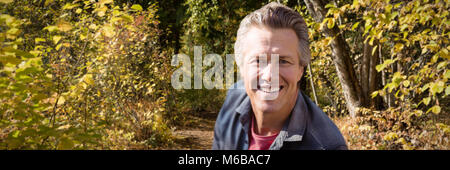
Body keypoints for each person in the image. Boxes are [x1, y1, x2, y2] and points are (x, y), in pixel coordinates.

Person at [212, 2, 347, 150]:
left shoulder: (327, 146)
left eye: (283, 61)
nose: (270, 76)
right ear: (242, 67)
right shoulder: (233, 98)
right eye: (258, 60)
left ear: (300, 70)